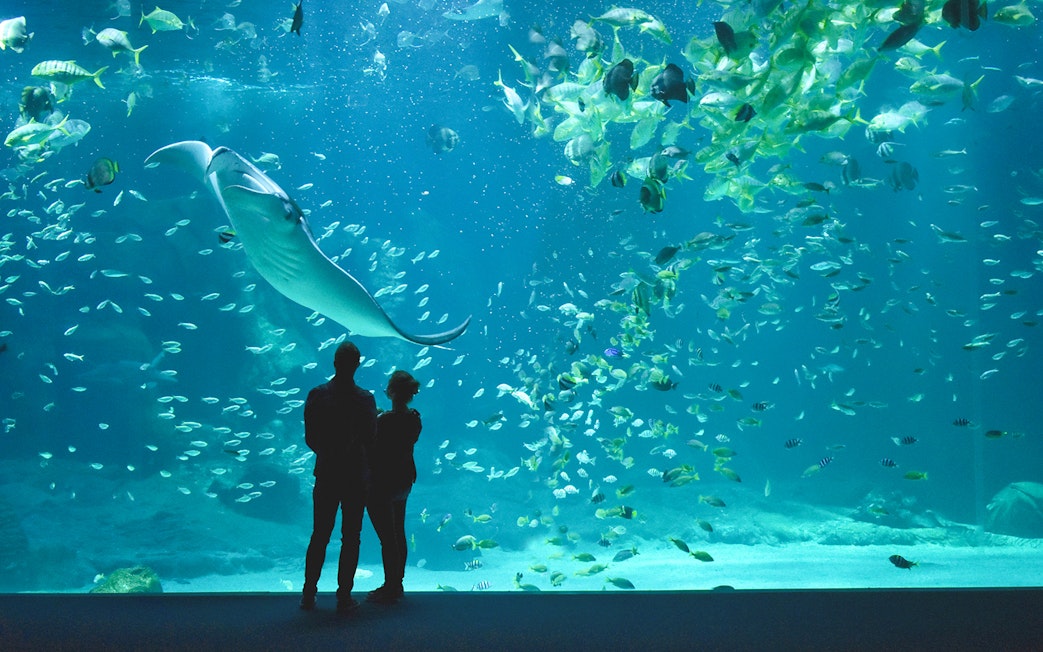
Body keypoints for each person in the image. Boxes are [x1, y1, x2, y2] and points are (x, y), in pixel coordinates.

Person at [300, 341, 376, 614]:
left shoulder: (317, 395)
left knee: (320, 534)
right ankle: (344, 595)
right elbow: (371, 438)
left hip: (327, 473)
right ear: (357, 365)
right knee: (351, 536)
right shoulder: (365, 399)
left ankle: (308, 594)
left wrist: (329, 452)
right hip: (356, 475)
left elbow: (310, 438)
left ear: (334, 363)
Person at [365, 370, 422, 604]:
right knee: (399, 532)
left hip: (382, 483)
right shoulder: (414, 418)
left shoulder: (384, 421)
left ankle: (391, 586)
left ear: (392, 391)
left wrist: (377, 417)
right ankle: (397, 582)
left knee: (387, 537)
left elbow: (371, 442)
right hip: (404, 480)